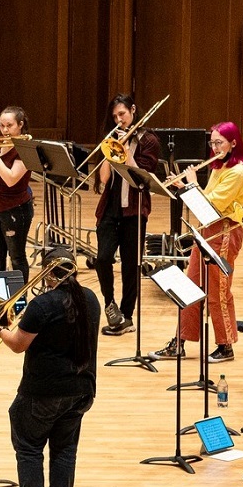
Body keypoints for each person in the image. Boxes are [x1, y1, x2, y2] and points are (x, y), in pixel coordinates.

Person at [0, 261, 99, 487]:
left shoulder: (42, 305)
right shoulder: (90, 299)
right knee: (65, 449)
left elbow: (18, 345)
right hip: (81, 390)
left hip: (43, 392)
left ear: (49, 275)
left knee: (29, 447)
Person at [160, 122, 243, 364]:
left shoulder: (238, 172)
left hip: (225, 231)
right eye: (212, 142)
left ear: (233, 143)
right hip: (208, 229)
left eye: (219, 142)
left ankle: (225, 345)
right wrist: (183, 187)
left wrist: (191, 184)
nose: (214, 147)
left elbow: (213, 205)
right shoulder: (219, 167)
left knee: (217, 291)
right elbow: (203, 203)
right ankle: (179, 342)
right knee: (189, 286)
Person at [94, 93, 163, 335]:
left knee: (131, 265)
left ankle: (127, 316)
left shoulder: (149, 140)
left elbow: (139, 179)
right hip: (110, 208)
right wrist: (110, 150)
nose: (118, 120)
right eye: (114, 117)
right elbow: (103, 179)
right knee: (102, 258)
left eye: (122, 114)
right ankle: (110, 304)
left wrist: (125, 150)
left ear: (133, 110)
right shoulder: (113, 137)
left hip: (134, 209)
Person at [0, 105, 33, 279]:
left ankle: (19, 300)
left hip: (14, 209)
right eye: (2, 125)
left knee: (16, 258)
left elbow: (11, 179)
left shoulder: (25, 149)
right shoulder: (0, 145)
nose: (5, 130)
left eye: (9, 125)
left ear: (20, 125)